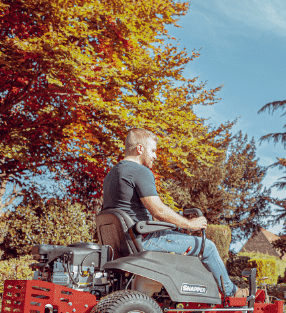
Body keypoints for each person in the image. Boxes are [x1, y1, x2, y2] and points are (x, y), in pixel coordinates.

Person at [102, 127, 242, 298]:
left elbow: (143, 211)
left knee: (175, 232)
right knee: (209, 248)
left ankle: (209, 291)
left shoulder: (112, 174)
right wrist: (190, 224)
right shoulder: (140, 171)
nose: (155, 156)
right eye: (152, 150)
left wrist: (176, 223)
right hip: (144, 240)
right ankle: (231, 294)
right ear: (140, 149)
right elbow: (158, 210)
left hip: (124, 242)